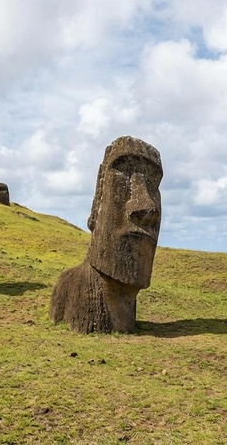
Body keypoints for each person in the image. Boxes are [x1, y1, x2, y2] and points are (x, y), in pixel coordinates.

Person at [50, 136, 162, 333]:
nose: (148, 207)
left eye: (154, 184)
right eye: (124, 174)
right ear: (97, 200)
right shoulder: (66, 289)